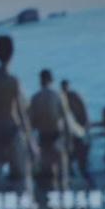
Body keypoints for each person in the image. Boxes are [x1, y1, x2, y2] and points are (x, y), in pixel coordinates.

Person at [0, 35, 34, 190]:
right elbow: (21, 114)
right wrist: (31, 142)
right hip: (11, 133)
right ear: (12, 53)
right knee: (20, 181)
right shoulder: (13, 80)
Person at [29, 69, 69, 197]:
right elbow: (66, 120)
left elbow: (31, 125)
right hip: (57, 137)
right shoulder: (58, 95)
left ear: (40, 80)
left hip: (43, 138)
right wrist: (69, 141)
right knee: (62, 176)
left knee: (47, 176)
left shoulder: (35, 98)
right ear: (51, 80)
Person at [59, 78, 92, 185]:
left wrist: (86, 128)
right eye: (63, 88)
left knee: (81, 161)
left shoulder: (75, 96)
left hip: (79, 131)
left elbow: (84, 113)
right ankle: (74, 179)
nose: (65, 90)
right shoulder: (62, 98)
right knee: (71, 159)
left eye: (66, 87)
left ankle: (87, 181)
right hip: (73, 132)